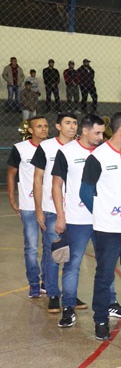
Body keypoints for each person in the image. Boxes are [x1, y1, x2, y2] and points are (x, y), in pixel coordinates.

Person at [79, 112, 121, 340]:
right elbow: (85, 192)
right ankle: (101, 320)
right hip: (108, 229)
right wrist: (102, 213)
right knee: (104, 275)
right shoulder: (98, 157)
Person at [51, 115, 105, 327]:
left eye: (103, 133)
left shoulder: (105, 152)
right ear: (84, 131)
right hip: (76, 219)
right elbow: (57, 185)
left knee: (106, 265)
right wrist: (61, 215)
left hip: (104, 220)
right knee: (72, 265)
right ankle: (69, 307)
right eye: (97, 133)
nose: (101, 137)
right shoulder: (67, 152)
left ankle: (110, 302)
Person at [32, 113, 78, 313]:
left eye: (75, 123)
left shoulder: (80, 147)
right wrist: (39, 209)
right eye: (68, 123)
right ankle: (52, 293)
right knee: (54, 254)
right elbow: (38, 178)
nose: (72, 127)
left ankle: (70, 294)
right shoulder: (46, 147)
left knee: (74, 256)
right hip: (51, 209)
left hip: (77, 211)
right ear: (58, 126)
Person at [7, 116, 49, 297]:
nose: (44, 129)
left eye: (46, 126)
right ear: (30, 130)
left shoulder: (53, 147)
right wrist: (11, 198)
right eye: (39, 126)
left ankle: (48, 281)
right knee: (31, 246)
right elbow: (11, 174)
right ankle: (33, 284)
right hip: (29, 206)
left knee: (50, 246)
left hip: (50, 205)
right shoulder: (20, 149)